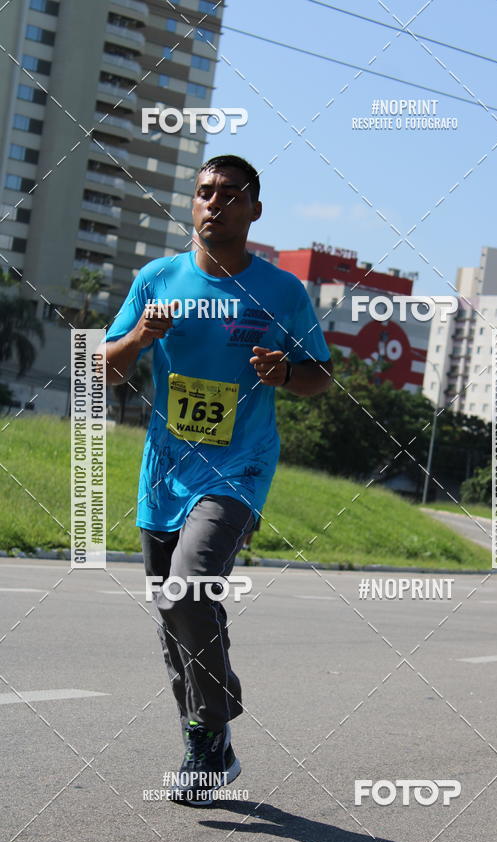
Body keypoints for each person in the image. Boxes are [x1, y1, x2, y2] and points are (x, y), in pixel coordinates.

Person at [103, 155, 332, 806]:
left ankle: (213, 717)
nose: (213, 203)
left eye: (229, 195)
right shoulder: (158, 279)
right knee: (174, 612)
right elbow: (105, 372)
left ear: (254, 210)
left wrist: (285, 374)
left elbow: (320, 374)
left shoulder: (282, 292)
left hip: (239, 467)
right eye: (203, 192)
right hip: (165, 472)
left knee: (186, 585)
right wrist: (139, 338)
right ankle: (209, 745)